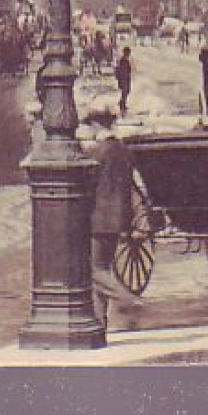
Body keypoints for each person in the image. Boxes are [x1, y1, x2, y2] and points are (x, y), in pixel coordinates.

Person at [87, 113, 142, 326]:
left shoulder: (99, 152)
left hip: (99, 218)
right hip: (119, 217)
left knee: (92, 270)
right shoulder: (123, 150)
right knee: (102, 267)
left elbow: (90, 185)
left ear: (96, 125)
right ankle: (100, 323)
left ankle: (126, 298)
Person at [114, 46, 133, 116]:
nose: (129, 54)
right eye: (128, 53)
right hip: (123, 79)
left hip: (126, 78)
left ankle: (122, 103)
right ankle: (122, 105)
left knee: (127, 91)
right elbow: (118, 70)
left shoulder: (125, 60)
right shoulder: (122, 60)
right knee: (125, 91)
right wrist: (119, 78)